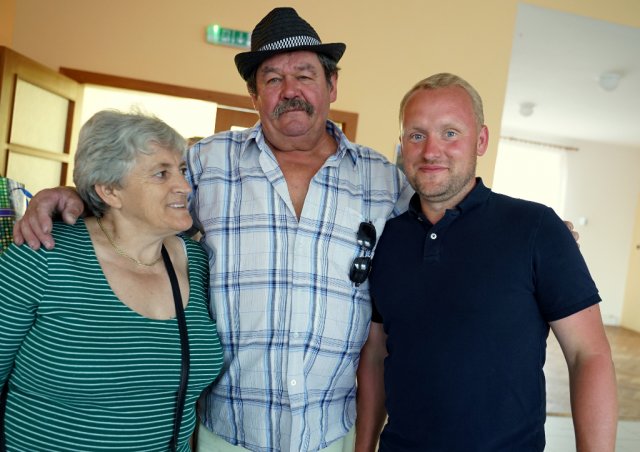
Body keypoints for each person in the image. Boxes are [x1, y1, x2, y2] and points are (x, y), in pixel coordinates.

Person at [12, 8, 413, 452]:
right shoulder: (207, 161)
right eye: (272, 79)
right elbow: (137, 195)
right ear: (253, 94)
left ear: (332, 84)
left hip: (332, 435)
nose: (290, 91)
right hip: (223, 434)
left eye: (305, 75)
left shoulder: (384, 181)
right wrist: (69, 194)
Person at [355, 73, 618, 451]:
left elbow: (587, 355)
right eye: (416, 135)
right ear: (402, 144)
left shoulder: (536, 228)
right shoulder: (387, 239)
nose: (431, 151)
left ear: (481, 140)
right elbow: (377, 353)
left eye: (450, 133)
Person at [0, 110, 224, 451]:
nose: (184, 186)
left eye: (181, 170)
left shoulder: (196, 261)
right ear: (109, 191)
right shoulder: (41, 257)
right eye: (161, 173)